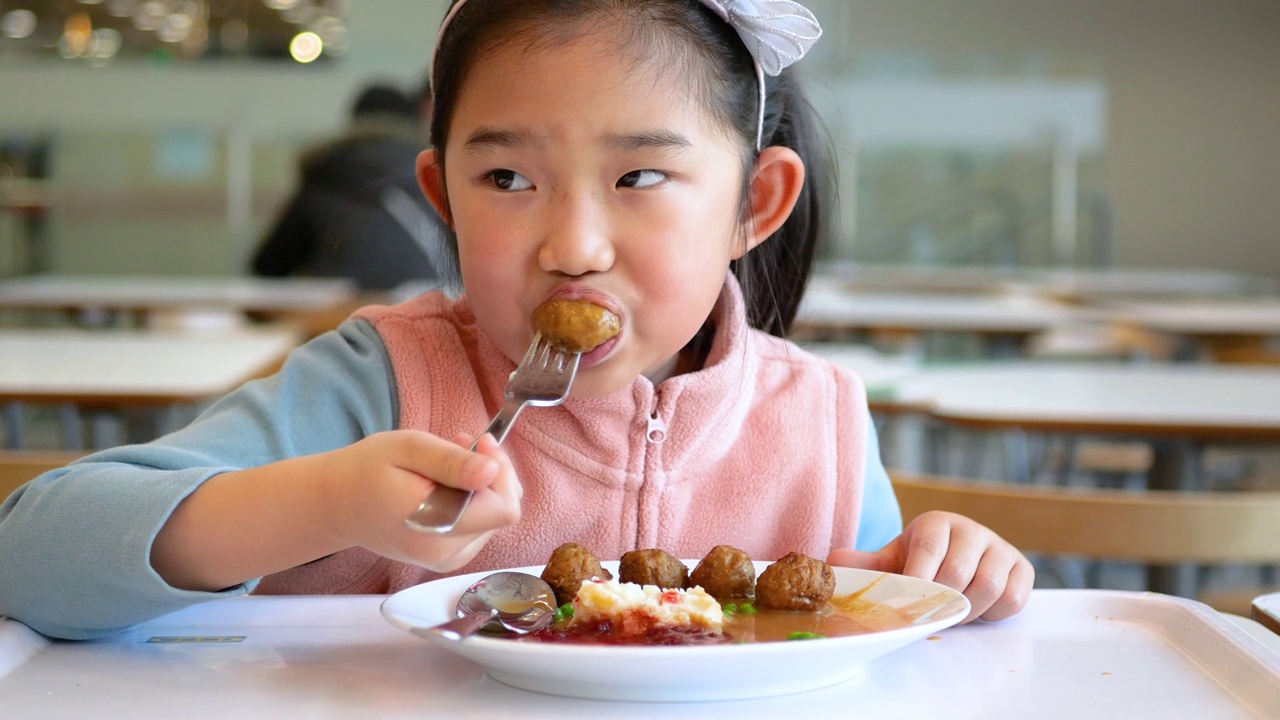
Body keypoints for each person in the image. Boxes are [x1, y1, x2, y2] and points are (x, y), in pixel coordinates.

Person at [0, 0, 1032, 640]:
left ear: (752, 205)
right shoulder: (375, 387)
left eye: (639, 174)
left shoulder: (817, 422)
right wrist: (317, 503)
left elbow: (890, 639)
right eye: (505, 177)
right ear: (440, 198)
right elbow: (32, 557)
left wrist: (943, 567)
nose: (572, 244)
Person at [249, 82, 451, 291]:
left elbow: (268, 265)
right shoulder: (434, 178)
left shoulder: (328, 172)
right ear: (413, 123)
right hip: (424, 309)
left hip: (340, 315)